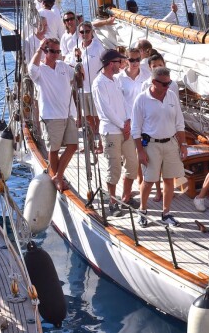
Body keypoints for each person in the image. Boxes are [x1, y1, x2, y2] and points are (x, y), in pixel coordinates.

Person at [132, 66, 187, 227]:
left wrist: (183, 145)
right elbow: (136, 129)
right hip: (151, 145)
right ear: (154, 82)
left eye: (169, 83)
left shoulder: (171, 96)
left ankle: (166, 213)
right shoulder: (141, 99)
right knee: (148, 181)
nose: (168, 86)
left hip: (171, 143)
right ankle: (142, 211)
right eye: (164, 84)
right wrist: (140, 151)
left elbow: (179, 122)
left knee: (169, 180)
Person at [92, 49, 138, 216]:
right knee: (114, 167)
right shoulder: (98, 84)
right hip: (111, 131)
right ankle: (112, 202)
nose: (122, 64)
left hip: (124, 129)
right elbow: (106, 110)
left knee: (132, 163)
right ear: (112, 63)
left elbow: (123, 103)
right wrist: (122, 125)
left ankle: (126, 197)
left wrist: (127, 122)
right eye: (120, 61)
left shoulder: (115, 80)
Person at [29, 38, 78, 192]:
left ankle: (58, 175)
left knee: (73, 145)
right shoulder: (39, 71)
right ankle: (56, 178)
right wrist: (39, 48)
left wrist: (79, 64)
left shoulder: (63, 66)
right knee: (54, 150)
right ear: (45, 51)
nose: (56, 54)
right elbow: (31, 68)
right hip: (51, 116)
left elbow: (75, 75)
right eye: (52, 51)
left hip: (67, 114)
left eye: (58, 51)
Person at [74, 21, 105, 150]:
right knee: (87, 117)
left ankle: (101, 144)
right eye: (82, 32)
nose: (85, 34)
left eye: (87, 31)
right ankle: (90, 143)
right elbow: (73, 66)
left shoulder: (98, 47)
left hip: (95, 88)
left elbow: (105, 65)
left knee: (98, 116)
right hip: (83, 88)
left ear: (92, 32)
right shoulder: (77, 48)